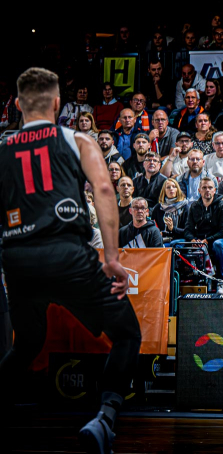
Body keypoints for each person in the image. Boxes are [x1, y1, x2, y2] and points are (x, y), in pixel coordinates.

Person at [0, 68, 141, 454]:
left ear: (17, 105)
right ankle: (104, 420)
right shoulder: (76, 139)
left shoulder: (3, 148)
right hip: (67, 255)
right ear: (58, 104)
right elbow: (104, 189)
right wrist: (111, 257)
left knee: (28, 343)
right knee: (127, 334)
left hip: (17, 260)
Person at [182, 177, 223, 292]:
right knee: (177, 244)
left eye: (210, 188)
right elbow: (187, 230)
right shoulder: (194, 206)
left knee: (218, 244)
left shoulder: (222, 206)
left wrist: (207, 240)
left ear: (215, 190)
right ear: (199, 190)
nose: (207, 190)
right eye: (204, 188)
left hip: (221, 240)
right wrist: (192, 240)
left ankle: (221, 282)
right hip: (200, 241)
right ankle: (184, 281)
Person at [151, 178, 189, 243]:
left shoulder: (185, 207)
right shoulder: (158, 208)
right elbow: (152, 227)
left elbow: (188, 232)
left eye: (174, 187)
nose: (171, 189)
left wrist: (172, 228)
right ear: (164, 191)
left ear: (177, 189)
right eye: (168, 187)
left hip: (178, 241)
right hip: (161, 240)